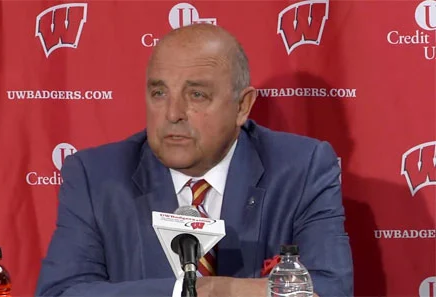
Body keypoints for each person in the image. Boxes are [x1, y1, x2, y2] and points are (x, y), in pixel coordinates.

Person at [35, 24, 353, 297]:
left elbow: (330, 288)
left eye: (196, 95)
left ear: (242, 106)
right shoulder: (96, 175)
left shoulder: (302, 168)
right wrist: (185, 291)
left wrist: (214, 290)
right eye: (159, 93)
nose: (172, 114)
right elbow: (62, 291)